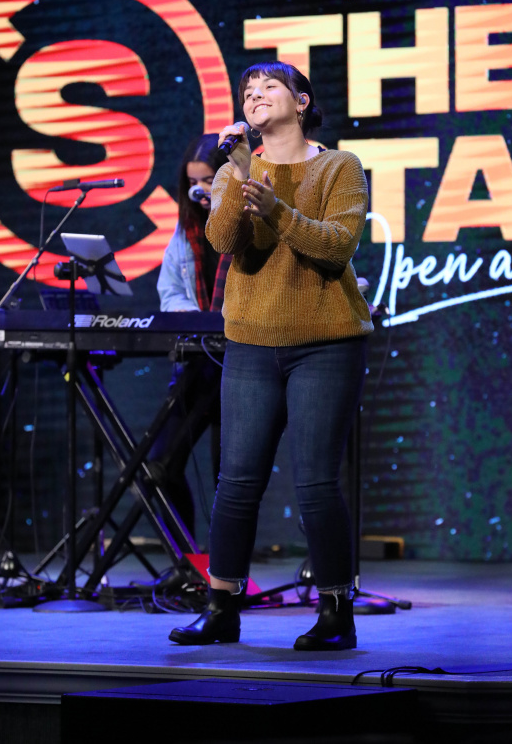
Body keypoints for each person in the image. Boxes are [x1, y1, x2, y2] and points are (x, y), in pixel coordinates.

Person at [168, 62, 374, 651]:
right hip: (252, 343)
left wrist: (277, 209)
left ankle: (336, 613)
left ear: (301, 101)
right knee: (236, 481)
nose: (255, 95)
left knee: (316, 483)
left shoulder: (339, 166)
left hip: (325, 342)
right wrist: (239, 173)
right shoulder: (236, 169)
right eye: (248, 91)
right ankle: (220, 607)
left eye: (270, 87)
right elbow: (224, 242)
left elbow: (336, 246)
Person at [151, 134, 230, 538]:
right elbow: (170, 293)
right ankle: (186, 561)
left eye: (208, 181)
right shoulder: (185, 232)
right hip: (200, 364)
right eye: (193, 182)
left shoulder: (249, 224)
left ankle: (227, 567)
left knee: (228, 479)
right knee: (159, 463)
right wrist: (195, 317)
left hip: (241, 367)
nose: (199, 190)